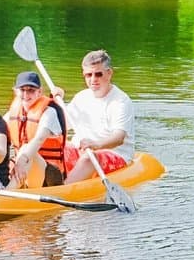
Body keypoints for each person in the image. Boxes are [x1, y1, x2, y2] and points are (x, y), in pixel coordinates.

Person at [56, 49, 135, 184]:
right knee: (51, 146)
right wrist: (55, 103)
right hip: (82, 151)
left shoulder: (120, 101)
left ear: (109, 73)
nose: (93, 79)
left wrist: (96, 145)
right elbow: (60, 126)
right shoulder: (81, 97)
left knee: (88, 157)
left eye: (98, 74)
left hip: (114, 155)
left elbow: (119, 138)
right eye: (88, 75)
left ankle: (63, 190)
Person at [3, 70, 67, 189]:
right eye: (22, 90)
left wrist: (22, 159)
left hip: (50, 176)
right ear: (16, 91)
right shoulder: (12, 114)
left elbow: (39, 139)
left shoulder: (49, 113)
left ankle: (5, 194)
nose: (26, 95)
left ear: (39, 92)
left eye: (31, 90)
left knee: (26, 149)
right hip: (23, 169)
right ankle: (10, 187)